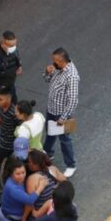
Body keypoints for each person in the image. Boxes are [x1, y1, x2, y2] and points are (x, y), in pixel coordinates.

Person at [42, 47, 80, 178]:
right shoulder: (58, 68)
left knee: (64, 139)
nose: (53, 63)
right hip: (52, 109)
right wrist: (47, 72)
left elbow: (73, 100)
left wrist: (63, 117)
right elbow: (47, 80)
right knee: (50, 132)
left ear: (61, 60)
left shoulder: (72, 76)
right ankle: (48, 153)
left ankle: (71, 165)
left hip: (61, 114)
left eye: (55, 61)